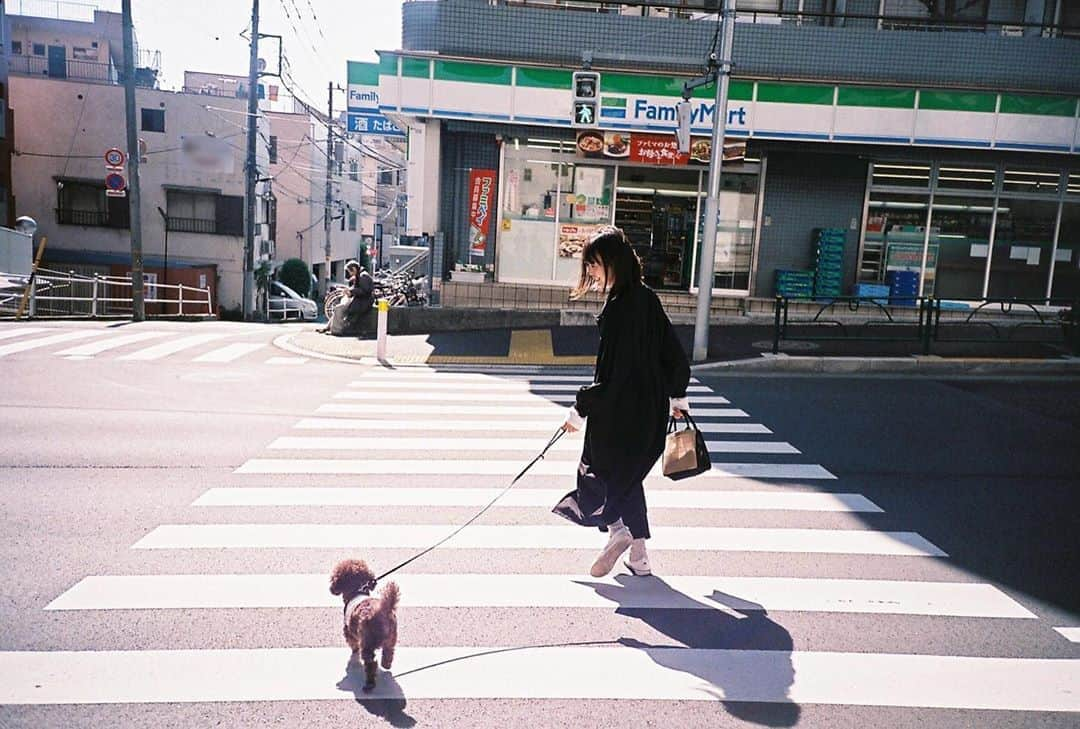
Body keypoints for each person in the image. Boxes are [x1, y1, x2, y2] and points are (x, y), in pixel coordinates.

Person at [552, 226, 691, 578]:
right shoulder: (646, 297)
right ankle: (639, 557)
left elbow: (614, 375)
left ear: (611, 261)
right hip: (650, 412)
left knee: (600, 474)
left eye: (594, 265)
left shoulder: (618, 308)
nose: (592, 273)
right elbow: (672, 350)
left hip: (619, 411)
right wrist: (677, 395)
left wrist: (581, 407)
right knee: (628, 478)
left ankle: (619, 533)